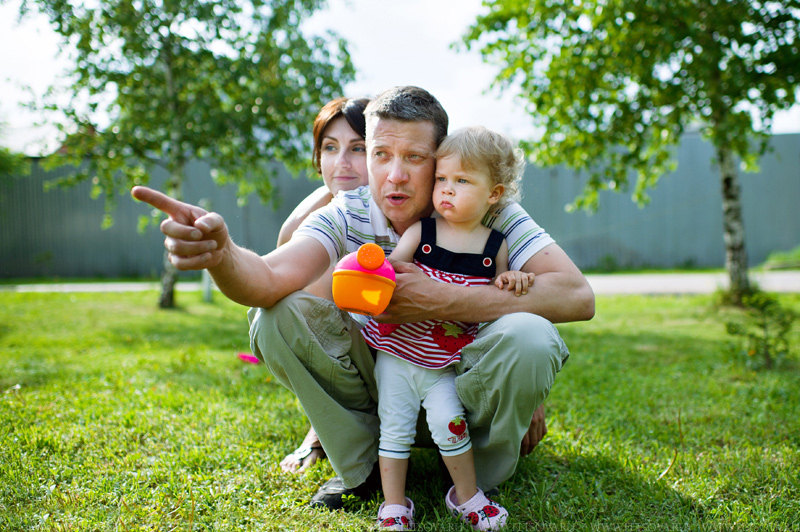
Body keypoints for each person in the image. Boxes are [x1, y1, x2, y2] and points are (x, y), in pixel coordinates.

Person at [131, 86, 594, 517]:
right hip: (381, 381)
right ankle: (362, 467)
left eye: (415, 157)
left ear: (440, 158)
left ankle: (477, 477)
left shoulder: (487, 209)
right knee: (275, 316)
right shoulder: (349, 209)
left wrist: (443, 299)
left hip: (463, 383)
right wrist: (222, 255)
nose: (395, 175)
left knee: (531, 335)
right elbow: (269, 279)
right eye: (380, 155)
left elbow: (576, 296)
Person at [364, 126, 532, 530]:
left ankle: (467, 497)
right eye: (441, 179)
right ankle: (394, 506)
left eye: (462, 181)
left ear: (494, 193)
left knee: (450, 423)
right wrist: (371, 267)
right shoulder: (423, 233)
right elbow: (392, 271)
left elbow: (497, 297)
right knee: (395, 428)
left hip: (445, 362)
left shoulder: (495, 247)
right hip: (397, 354)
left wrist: (512, 279)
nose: (447, 190)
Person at [275, 96, 370, 474]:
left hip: (418, 363)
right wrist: (329, 192)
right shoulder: (321, 217)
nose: (341, 161)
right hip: (352, 358)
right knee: (293, 295)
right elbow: (286, 244)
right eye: (330, 148)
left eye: (358, 148)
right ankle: (322, 427)